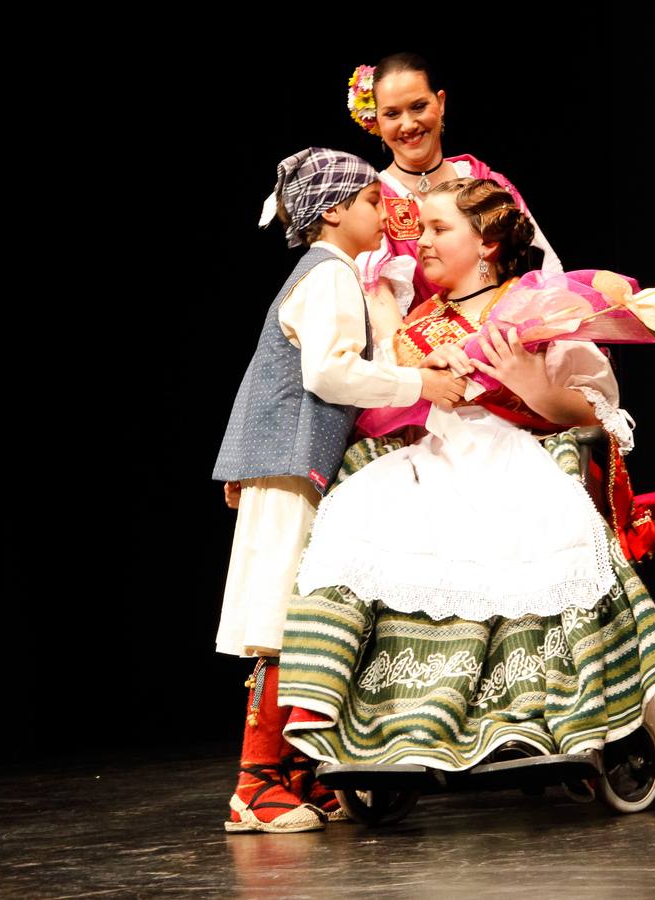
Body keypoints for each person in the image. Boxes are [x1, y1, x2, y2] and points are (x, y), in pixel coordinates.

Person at [278, 178, 655, 778]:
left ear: (487, 242)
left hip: (520, 453)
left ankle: (532, 714)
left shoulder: (537, 301)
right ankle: (396, 723)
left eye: (440, 231)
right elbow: (385, 412)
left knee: (520, 533)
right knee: (358, 515)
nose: (425, 245)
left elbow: (597, 414)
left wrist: (523, 378)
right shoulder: (415, 326)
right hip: (436, 460)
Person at [213, 148, 467, 834]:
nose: (382, 212)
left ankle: (294, 776)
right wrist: (421, 384)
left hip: (296, 463)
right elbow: (328, 375)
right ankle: (255, 786)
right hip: (289, 465)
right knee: (279, 620)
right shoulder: (328, 276)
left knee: (304, 613)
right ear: (333, 211)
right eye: (368, 202)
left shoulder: (333, 275)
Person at [346, 53, 563, 342]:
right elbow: (377, 298)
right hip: (425, 359)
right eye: (392, 114)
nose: (408, 125)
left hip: (508, 345)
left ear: (441, 103)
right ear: (376, 120)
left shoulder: (484, 180)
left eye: (419, 106)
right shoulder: (374, 201)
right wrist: (413, 364)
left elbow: (545, 270)